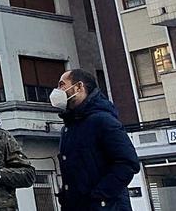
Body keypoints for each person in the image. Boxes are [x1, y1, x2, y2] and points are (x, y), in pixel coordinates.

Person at [53, 69, 141, 210]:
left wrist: (100, 197)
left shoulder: (103, 120)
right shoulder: (68, 128)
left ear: (79, 87)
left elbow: (128, 163)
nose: (58, 90)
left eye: (62, 85)